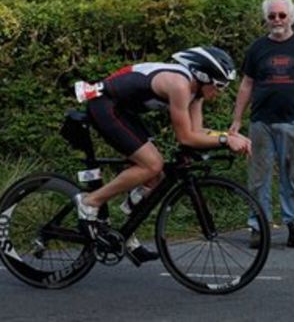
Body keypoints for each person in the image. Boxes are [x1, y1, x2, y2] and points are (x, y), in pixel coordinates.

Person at [75, 46, 251, 265]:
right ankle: (90, 202)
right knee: (152, 165)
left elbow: (198, 132)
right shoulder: (180, 85)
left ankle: (125, 232)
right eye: (219, 86)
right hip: (105, 104)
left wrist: (228, 136)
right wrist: (225, 141)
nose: (221, 92)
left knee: (155, 178)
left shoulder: (196, 93)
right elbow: (186, 138)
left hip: (124, 110)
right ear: (203, 77)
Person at [231, 0, 294, 250]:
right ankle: (258, 227)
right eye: (272, 16)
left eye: (281, 15)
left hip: (292, 121)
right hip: (260, 122)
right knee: (258, 177)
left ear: (291, 17)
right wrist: (236, 120)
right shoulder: (257, 48)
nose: (277, 21)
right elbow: (247, 84)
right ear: (266, 19)